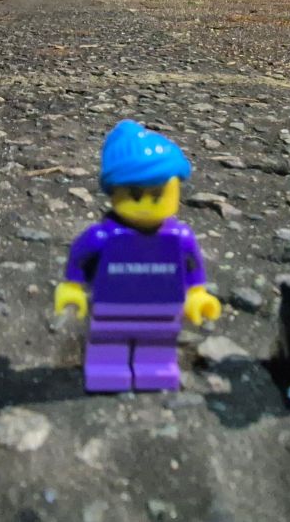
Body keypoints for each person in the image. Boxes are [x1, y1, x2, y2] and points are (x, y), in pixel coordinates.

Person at [54, 120, 221, 391]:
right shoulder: (102, 237)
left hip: (163, 307)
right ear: (114, 192)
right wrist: (71, 287)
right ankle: (105, 370)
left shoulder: (180, 238)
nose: (145, 205)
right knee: (108, 340)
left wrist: (197, 294)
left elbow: (193, 269)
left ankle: (155, 369)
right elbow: (79, 258)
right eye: (133, 194)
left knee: (157, 341)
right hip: (110, 305)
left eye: (157, 195)